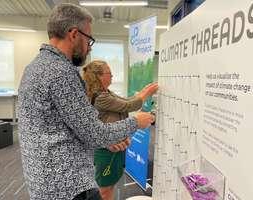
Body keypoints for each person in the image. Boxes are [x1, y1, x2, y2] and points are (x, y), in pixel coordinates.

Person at [17, 3, 154, 200]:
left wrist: (105, 141)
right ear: (73, 34)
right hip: (69, 186)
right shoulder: (60, 72)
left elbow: (60, 129)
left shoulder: (34, 67)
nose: (89, 48)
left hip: (45, 182)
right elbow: (94, 133)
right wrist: (136, 122)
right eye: (89, 39)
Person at [82, 60, 158, 200]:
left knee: (111, 183)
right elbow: (129, 105)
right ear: (99, 76)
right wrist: (148, 92)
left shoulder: (106, 92)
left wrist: (142, 92)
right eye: (109, 73)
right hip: (106, 149)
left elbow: (125, 101)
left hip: (115, 146)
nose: (112, 76)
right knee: (104, 190)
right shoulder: (100, 96)